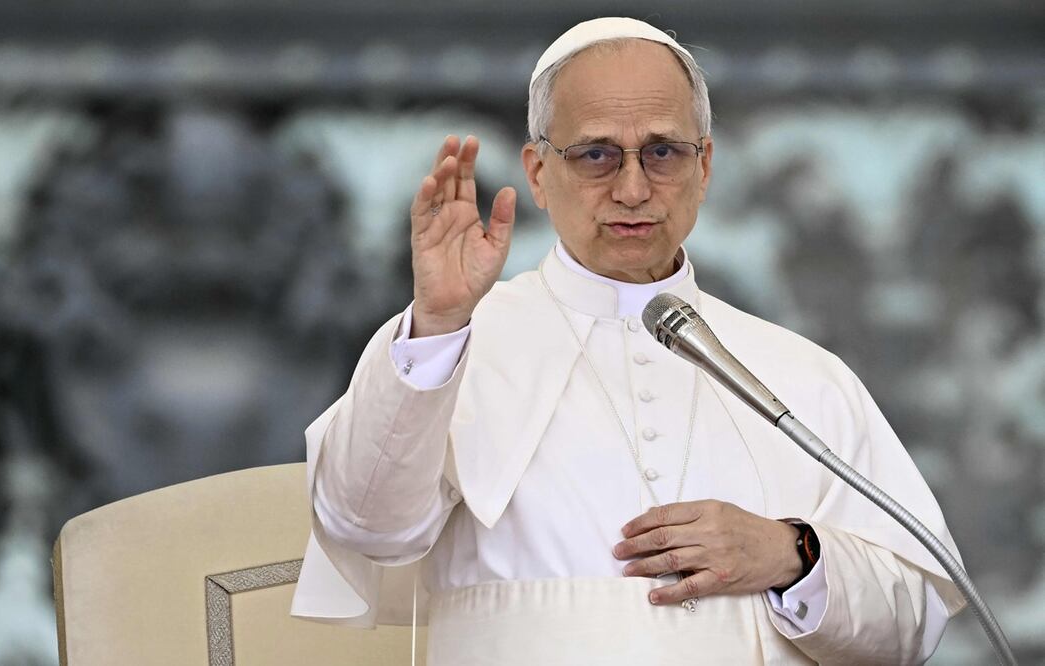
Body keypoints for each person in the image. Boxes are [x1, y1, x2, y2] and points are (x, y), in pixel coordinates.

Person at [292, 17, 966, 664]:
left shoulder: (801, 374)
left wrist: (792, 553)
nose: (634, 188)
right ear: (536, 174)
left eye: (664, 152)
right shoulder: (449, 347)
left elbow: (915, 617)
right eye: (596, 155)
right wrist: (438, 319)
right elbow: (366, 529)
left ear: (704, 168)